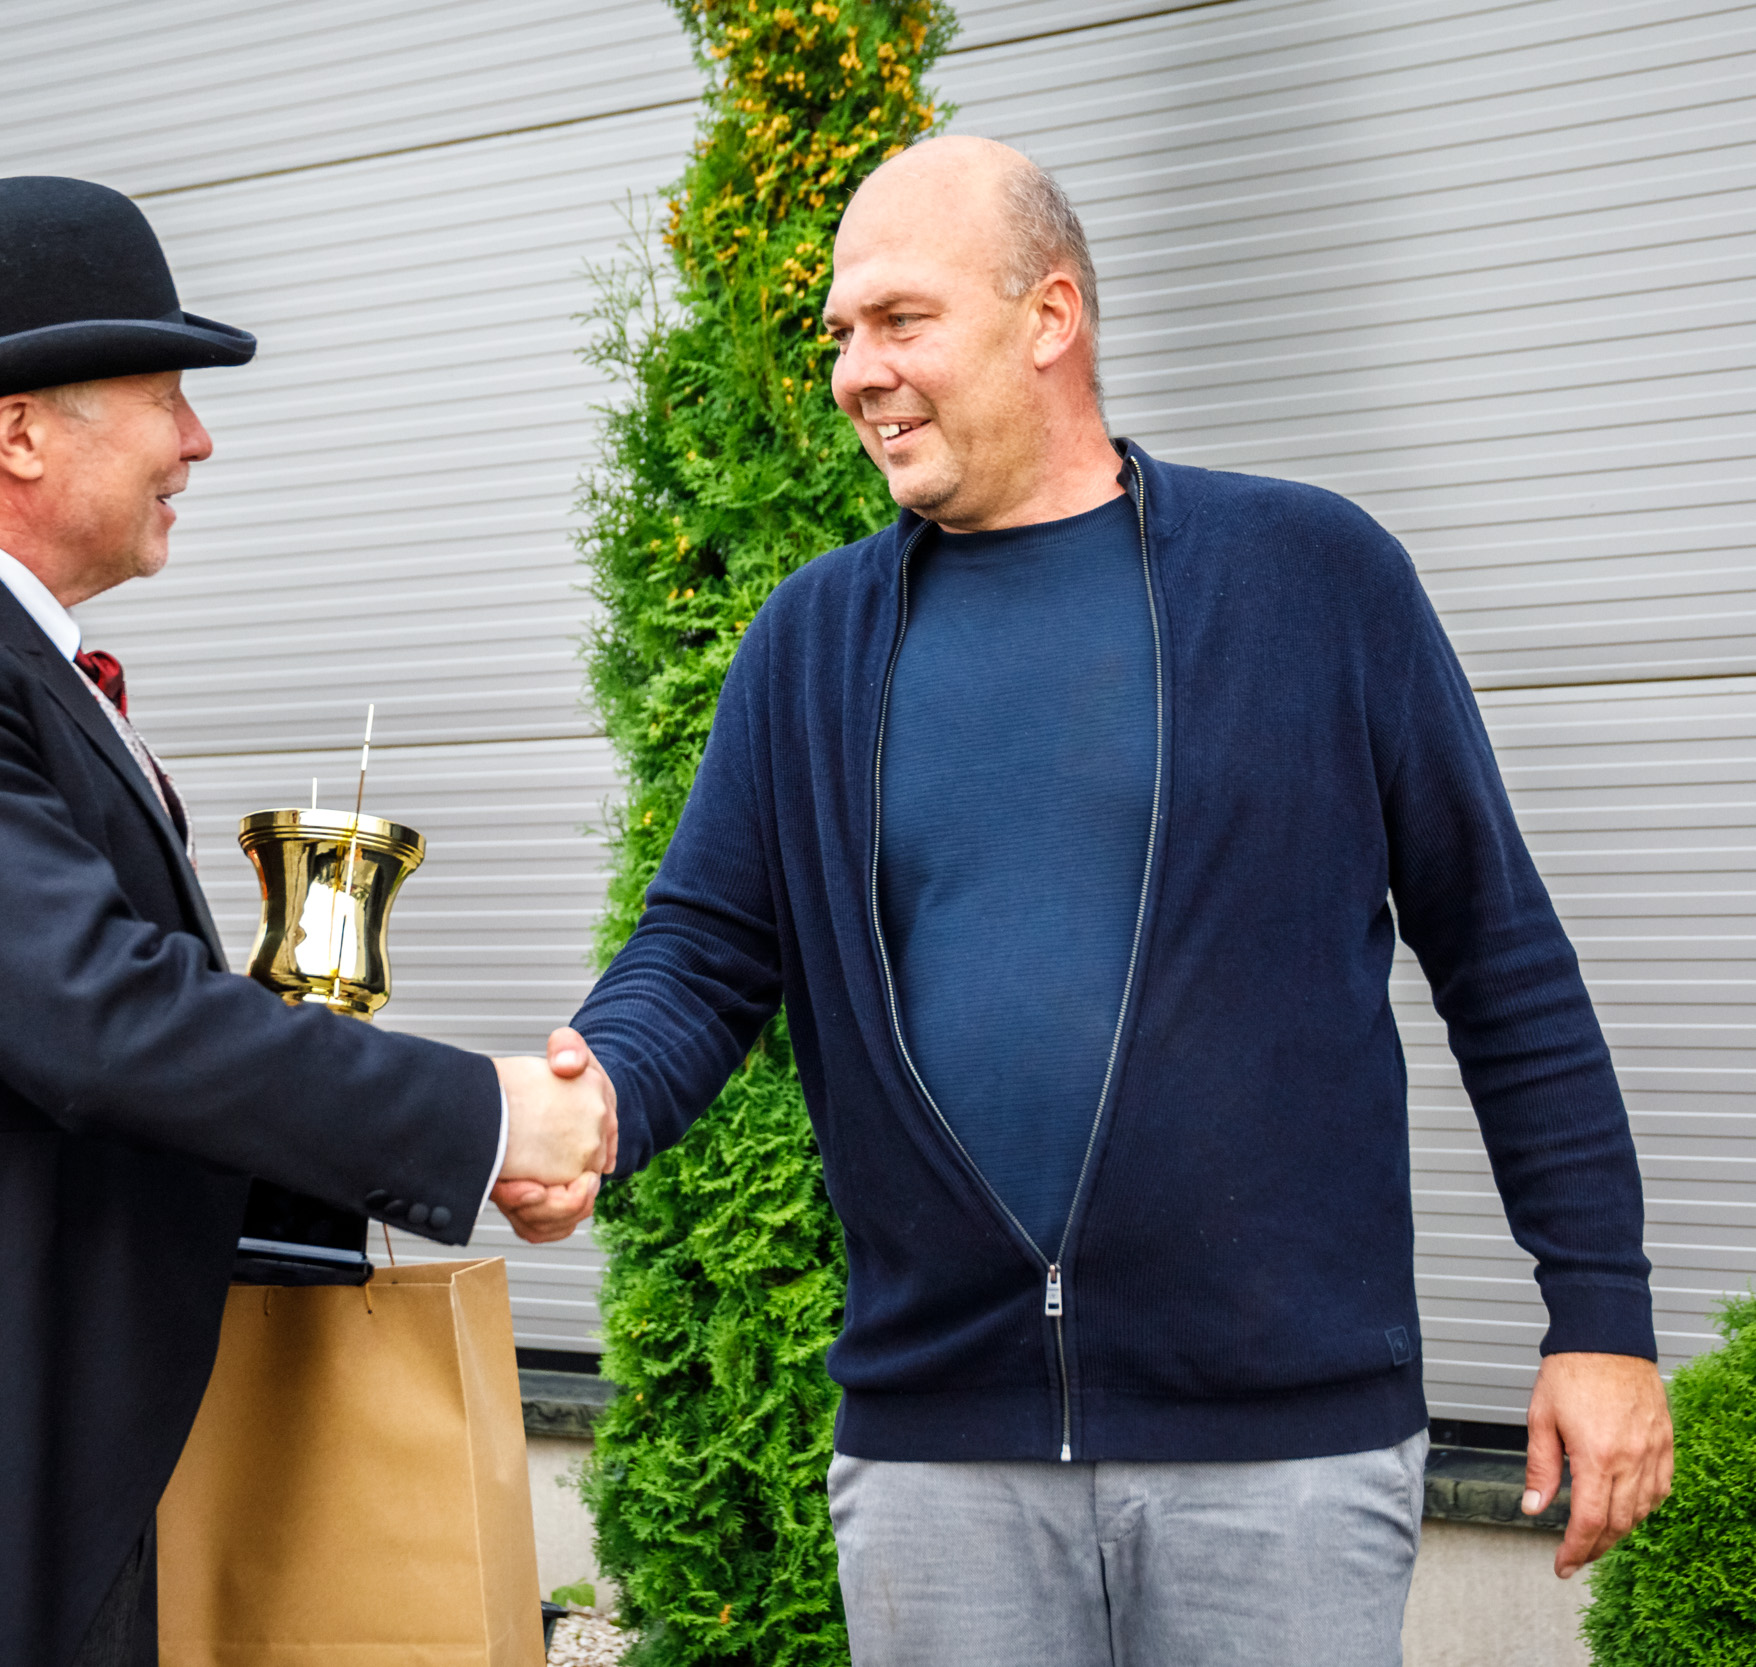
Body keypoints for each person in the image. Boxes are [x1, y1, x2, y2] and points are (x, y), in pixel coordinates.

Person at [507, 136, 1673, 1664]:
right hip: (941, 1455)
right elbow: (706, 950)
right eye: (842, 332)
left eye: (902, 320)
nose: (857, 372)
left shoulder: (1311, 581)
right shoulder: (812, 644)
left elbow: (1499, 956)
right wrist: (598, 1100)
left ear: (1049, 315)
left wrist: (1601, 1314)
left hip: (1284, 1451)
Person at [0, 176, 615, 1667]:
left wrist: (344, 1123)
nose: (198, 440)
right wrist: (483, 1120)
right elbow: (101, 1020)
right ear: (20, 431)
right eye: (166, 397)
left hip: (29, 1423)